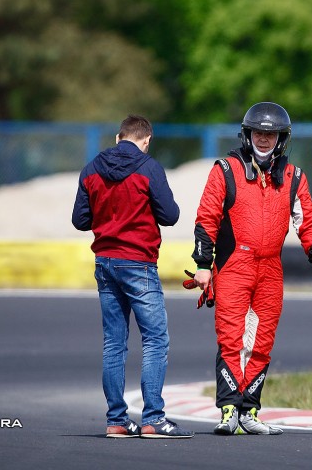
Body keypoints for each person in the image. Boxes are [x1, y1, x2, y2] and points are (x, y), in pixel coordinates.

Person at [191, 102, 312, 436]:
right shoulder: (225, 170)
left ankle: (249, 410)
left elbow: (307, 220)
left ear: (281, 138)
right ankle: (229, 409)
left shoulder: (294, 177)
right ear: (247, 134)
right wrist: (202, 264)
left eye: (270, 134)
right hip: (233, 266)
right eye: (259, 132)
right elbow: (207, 217)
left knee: (261, 342)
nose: (264, 139)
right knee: (231, 338)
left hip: (270, 269)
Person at [72, 115, 193, 439]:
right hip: (138, 262)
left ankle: (117, 420)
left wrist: (108, 215)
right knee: (155, 339)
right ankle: (153, 417)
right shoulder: (149, 168)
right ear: (146, 140)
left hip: (105, 262)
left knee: (114, 342)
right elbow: (170, 215)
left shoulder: (92, 169)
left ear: (118, 137)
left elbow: (80, 220)